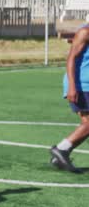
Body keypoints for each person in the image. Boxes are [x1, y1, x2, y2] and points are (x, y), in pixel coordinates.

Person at [50, 24, 89, 173]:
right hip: (80, 85)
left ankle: (60, 156)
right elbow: (71, 58)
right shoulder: (85, 32)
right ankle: (61, 149)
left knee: (86, 124)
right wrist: (72, 87)